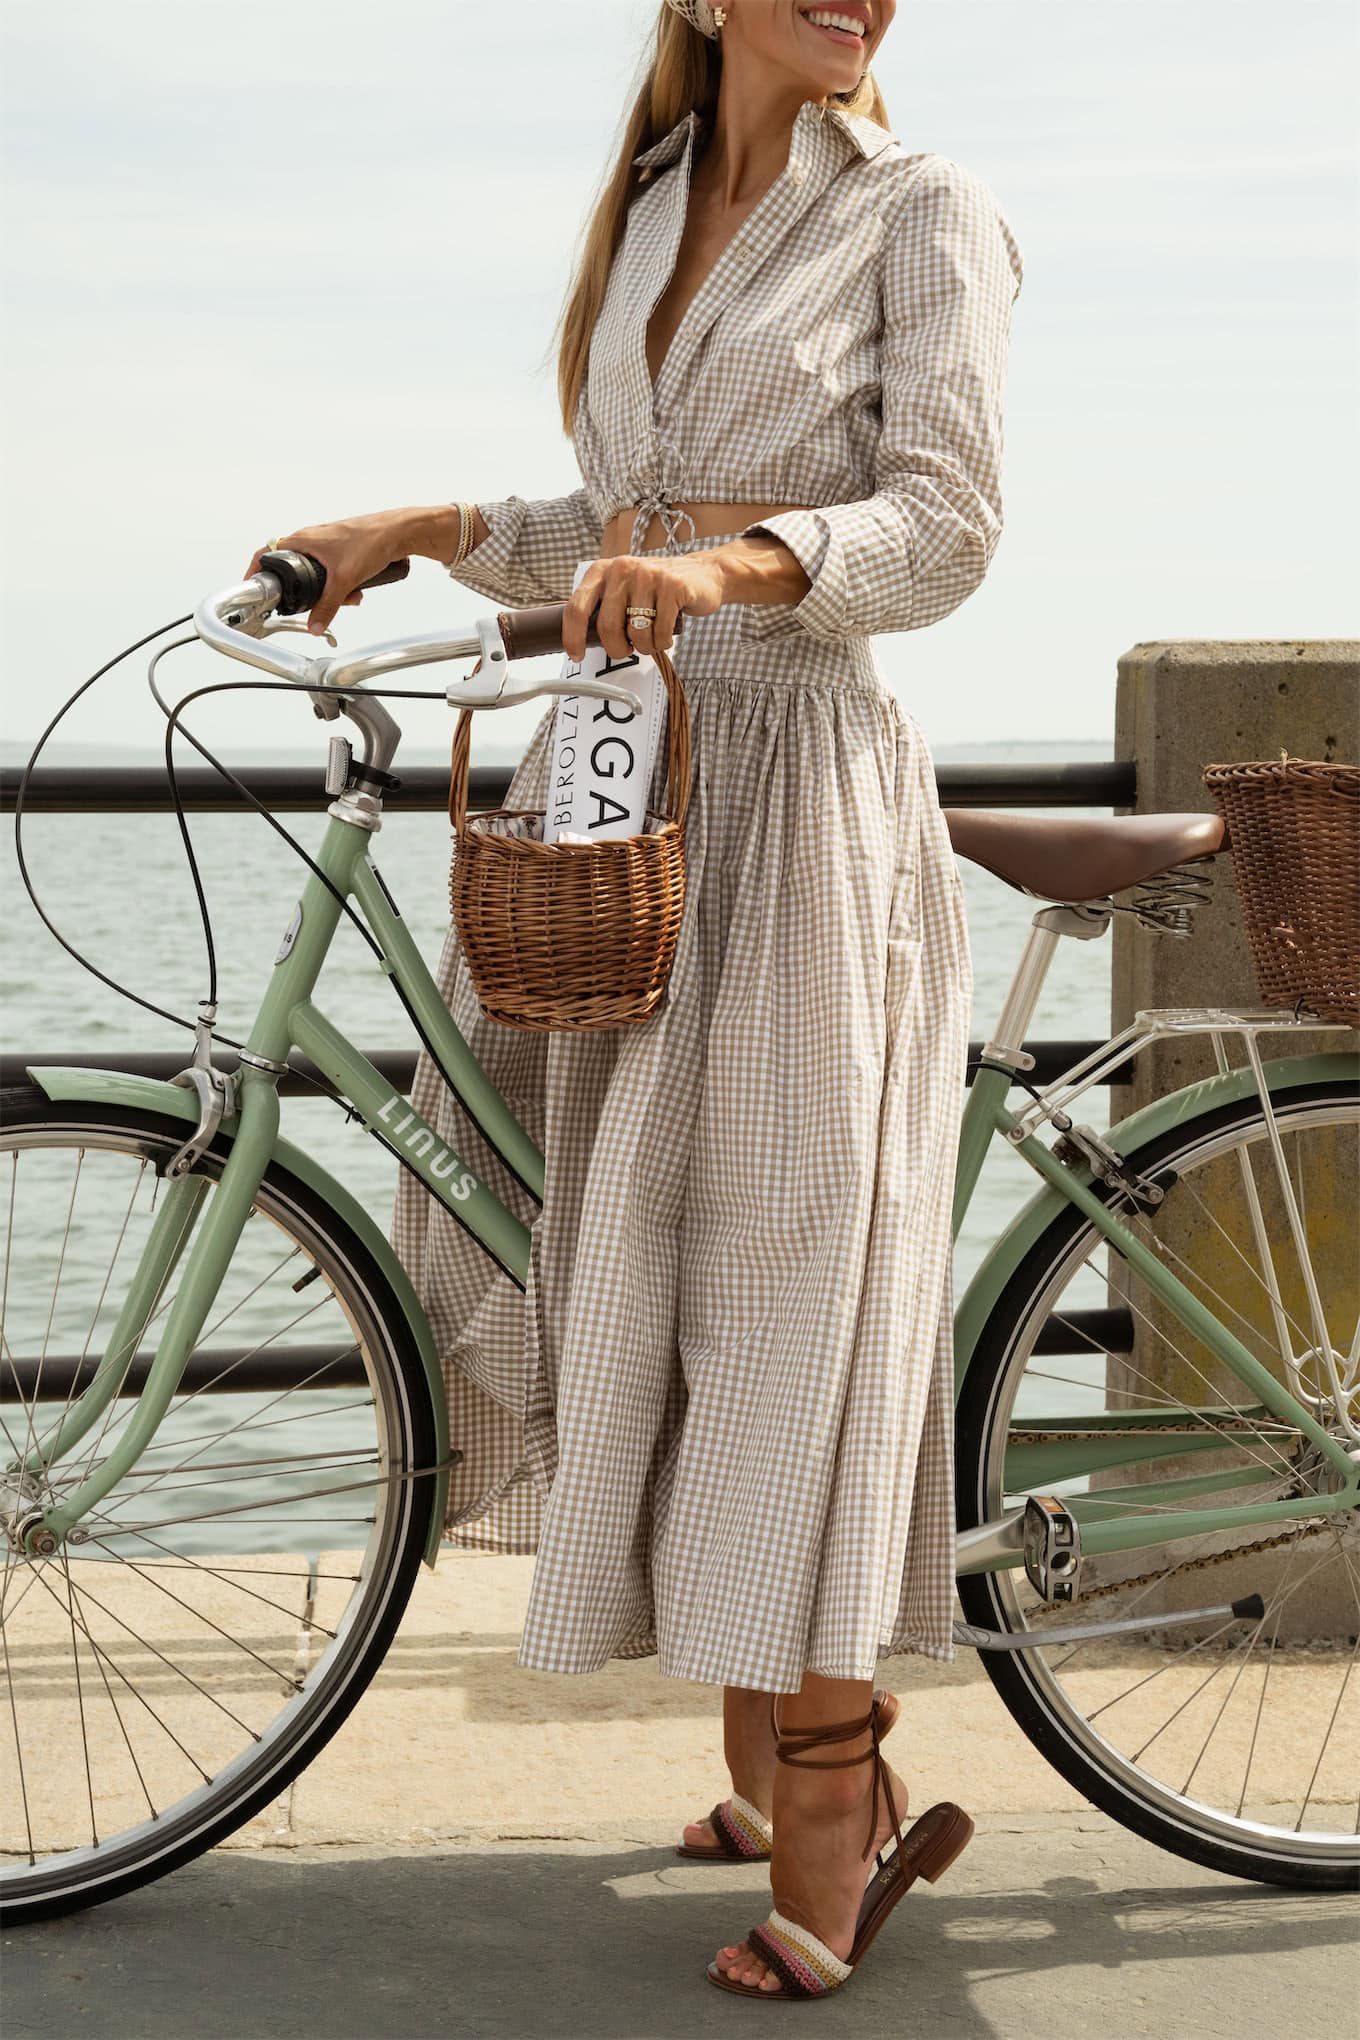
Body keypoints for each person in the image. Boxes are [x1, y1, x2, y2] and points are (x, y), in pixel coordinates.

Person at [247, 0, 1022, 2001]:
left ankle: (834, 1802)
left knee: (790, 1286)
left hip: (795, 795)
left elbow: (942, 528)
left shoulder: (922, 209)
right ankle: (761, 1754)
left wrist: (735, 573)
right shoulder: (658, 199)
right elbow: (617, 523)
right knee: (634, 1264)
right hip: (625, 784)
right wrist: (410, 531)